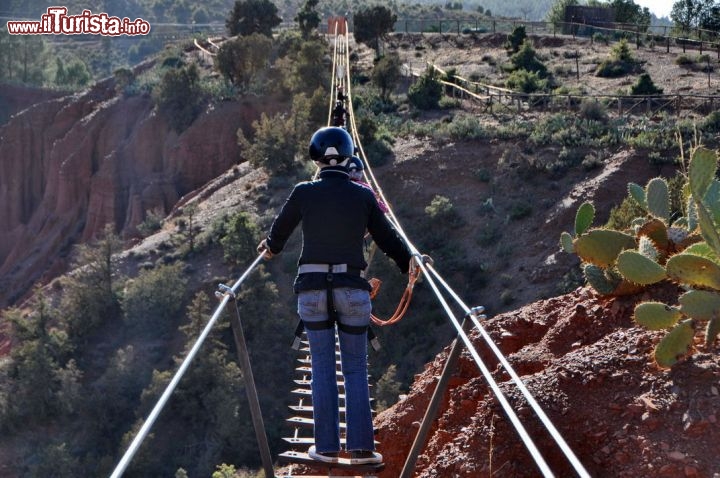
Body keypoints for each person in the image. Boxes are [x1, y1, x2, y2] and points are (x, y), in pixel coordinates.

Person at [257, 126, 412, 465]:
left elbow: (279, 232)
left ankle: (325, 448)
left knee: (322, 367)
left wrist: (269, 250)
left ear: (317, 157)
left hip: (312, 293)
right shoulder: (363, 195)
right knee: (355, 368)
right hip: (353, 291)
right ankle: (361, 449)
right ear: (348, 156)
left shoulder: (303, 192)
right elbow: (387, 239)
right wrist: (410, 263)